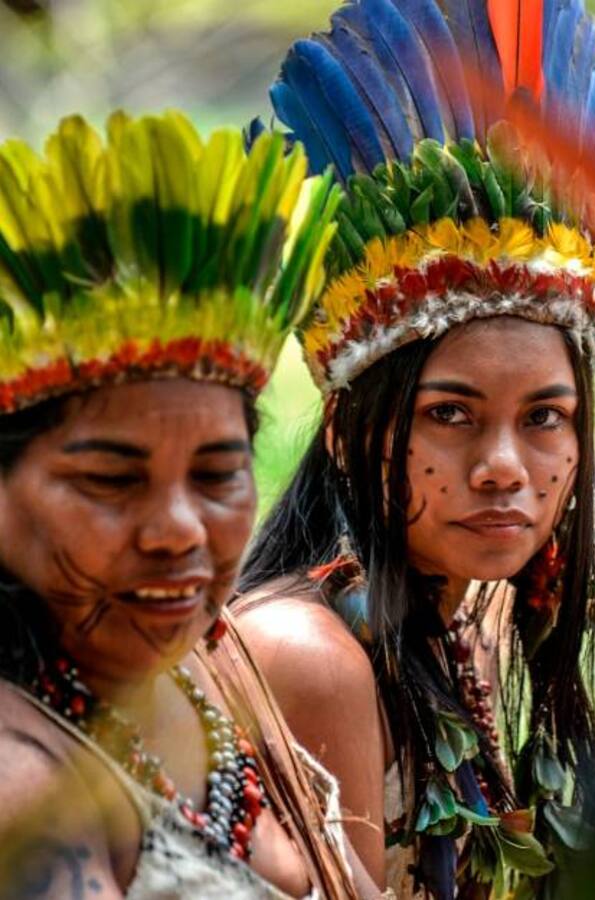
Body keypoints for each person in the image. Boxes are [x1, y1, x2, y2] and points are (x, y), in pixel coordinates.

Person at [233, 0, 595, 896]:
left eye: (545, 418)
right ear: (344, 435)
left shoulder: (472, 622)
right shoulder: (313, 657)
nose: (504, 467)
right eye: (451, 415)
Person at [0, 111, 364, 898]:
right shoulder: (20, 782)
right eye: (111, 481)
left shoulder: (207, 669)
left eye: (216, 474)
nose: (179, 529)